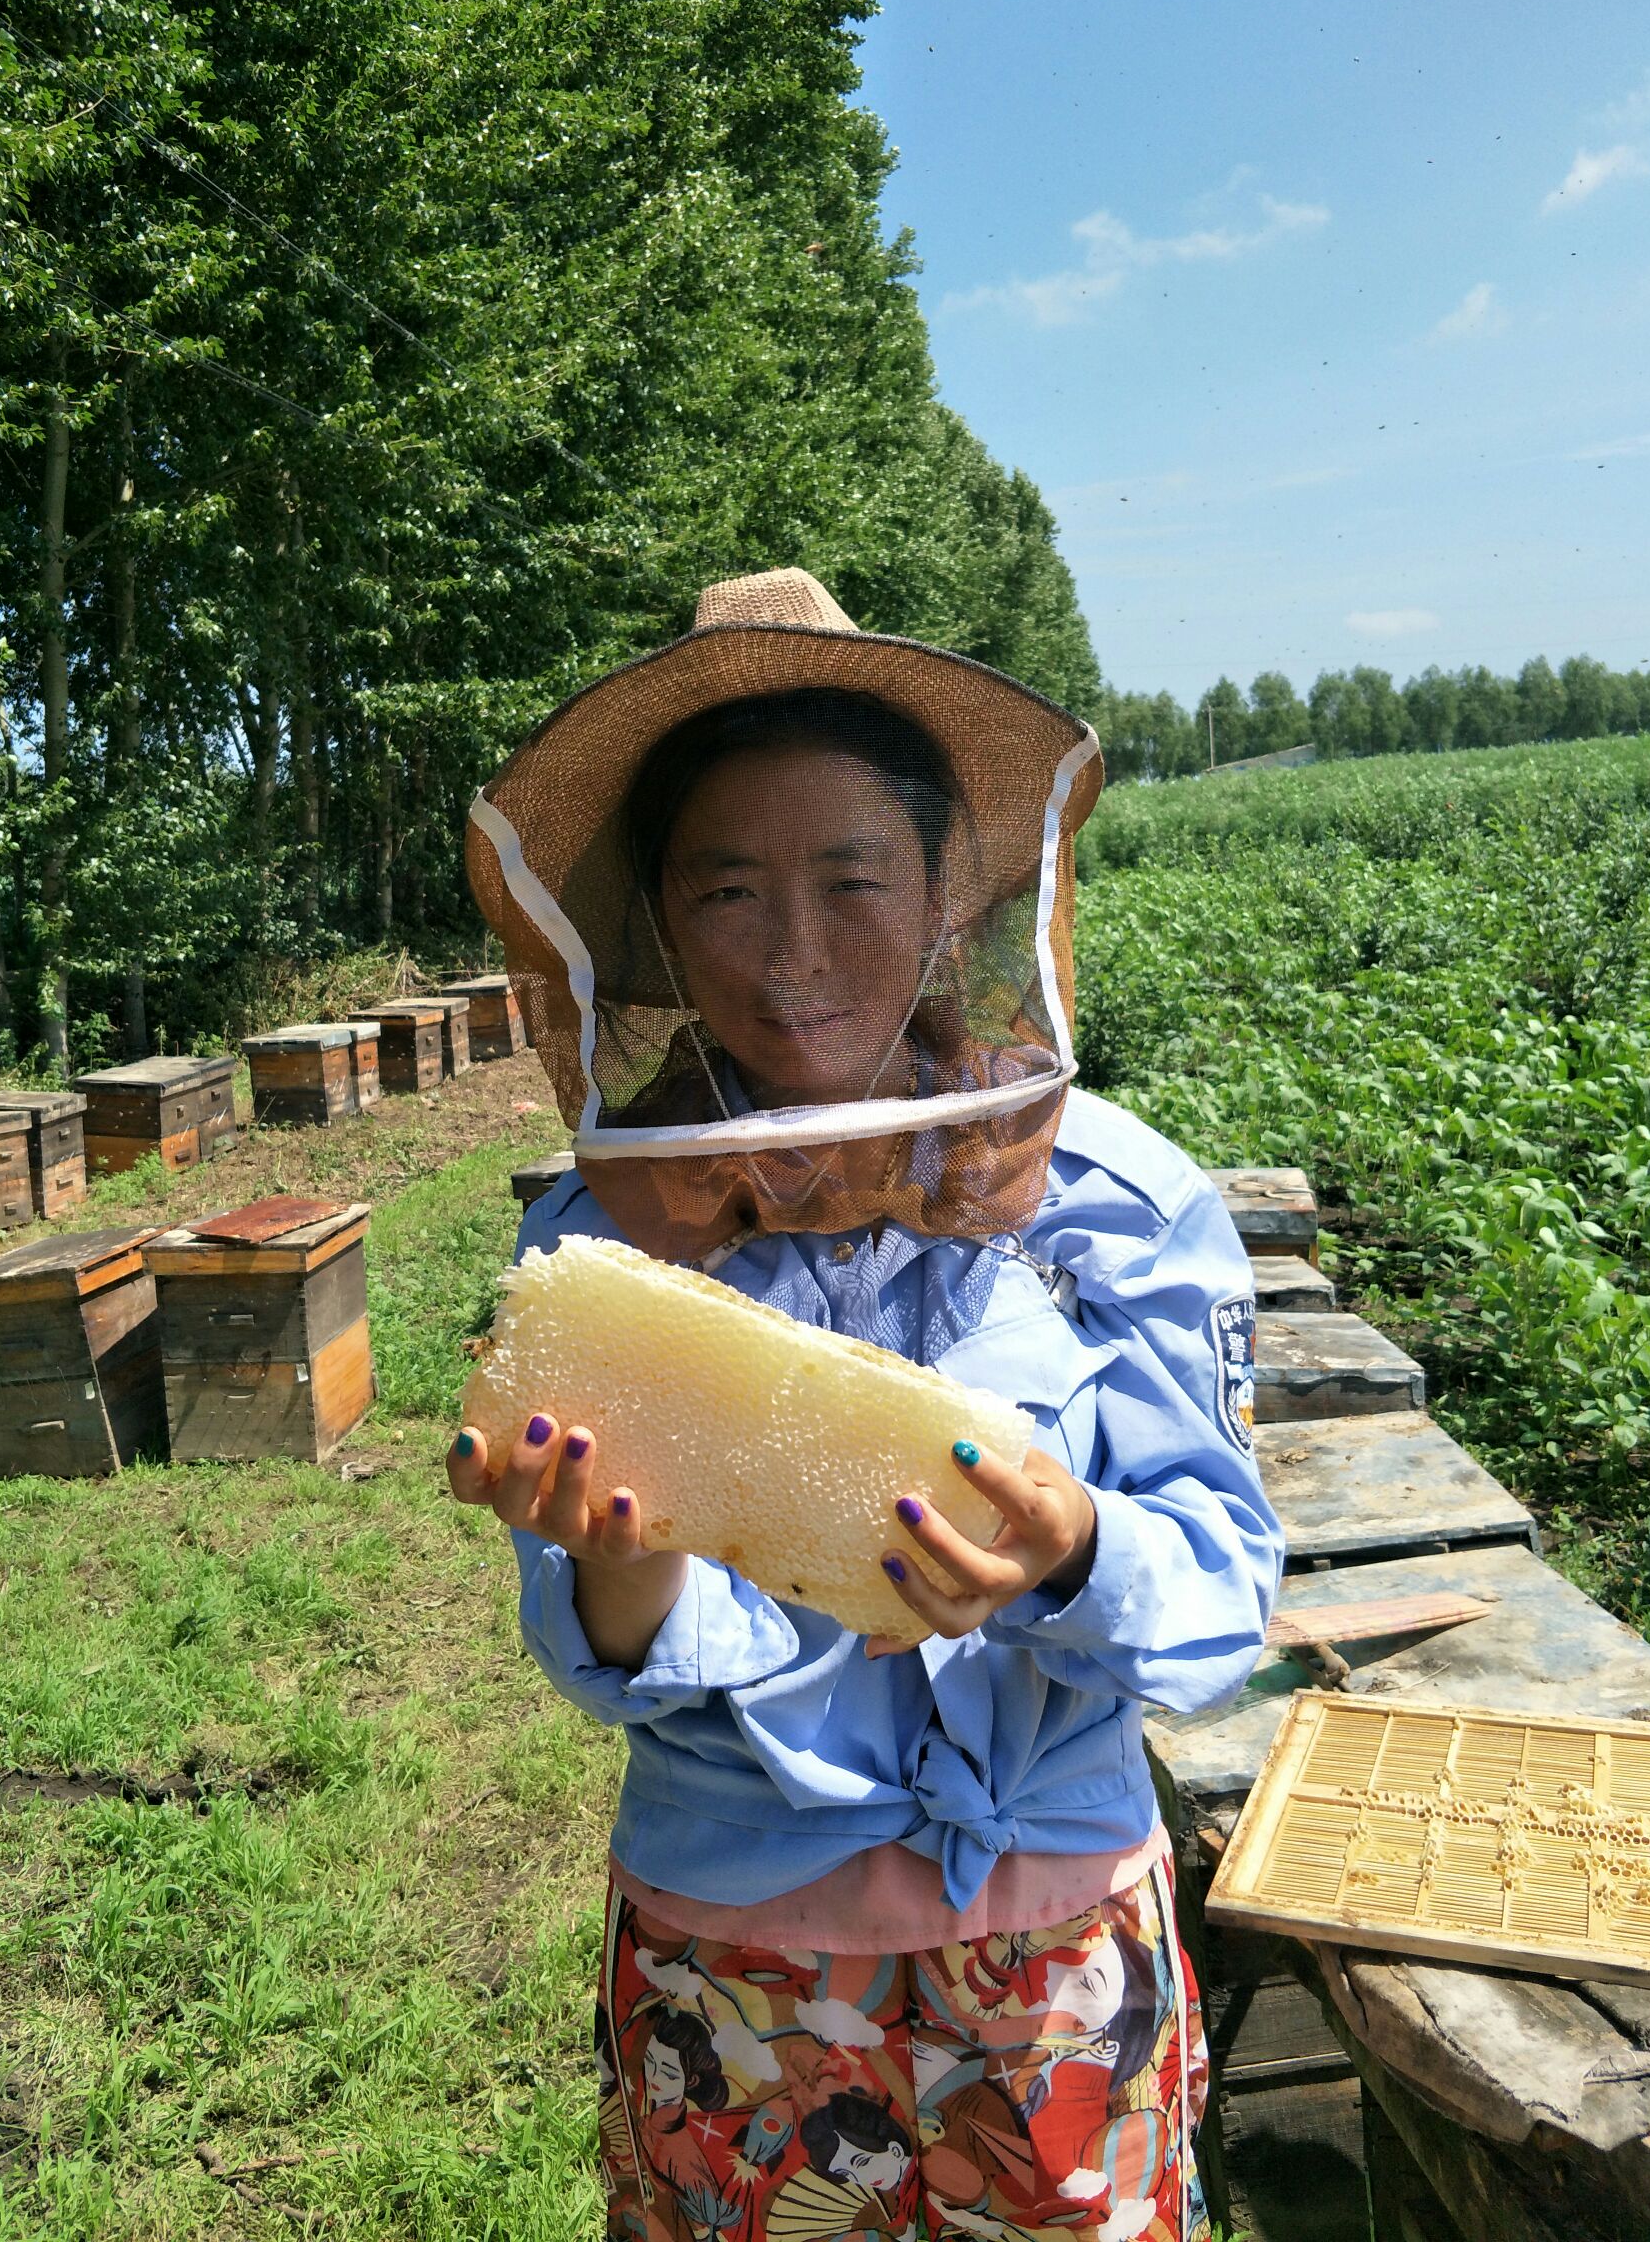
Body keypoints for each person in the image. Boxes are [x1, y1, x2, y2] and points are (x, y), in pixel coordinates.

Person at [450, 568, 1283, 2241]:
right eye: (730, 890)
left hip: (1056, 1934)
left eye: (853, 878)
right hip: (734, 1945)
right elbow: (600, 1650)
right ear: (657, 928)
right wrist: (622, 1572)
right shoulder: (606, 1239)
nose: (796, 953)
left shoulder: (1119, 1200)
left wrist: (1074, 1556)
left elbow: (1222, 1591)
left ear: (946, 897)